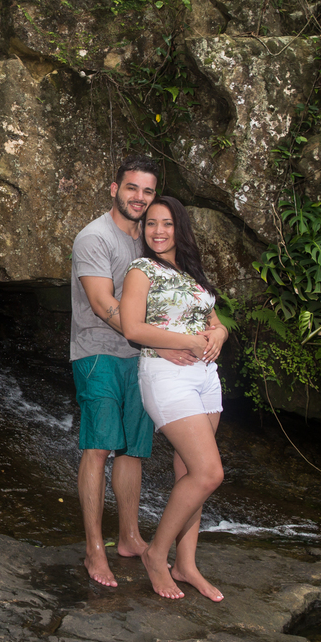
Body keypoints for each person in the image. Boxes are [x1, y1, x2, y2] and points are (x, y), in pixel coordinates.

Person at [70, 156, 204, 588]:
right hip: (98, 355)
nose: (139, 199)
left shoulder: (152, 240)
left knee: (131, 450)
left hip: (143, 361)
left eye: (147, 192)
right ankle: (94, 549)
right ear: (115, 189)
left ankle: (129, 536)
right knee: (98, 447)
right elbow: (103, 304)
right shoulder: (94, 238)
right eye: (132, 189)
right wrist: (159, 342)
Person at [120, 195, 227, 602]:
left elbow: (213, 322)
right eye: (150, 224)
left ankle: (186, 564)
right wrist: (185, 340)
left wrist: (218, 334)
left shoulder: (192, 273)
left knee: (191, 478)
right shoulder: (141, 270)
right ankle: (155, 555)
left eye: (166, 223)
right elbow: (133, 327)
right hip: (166, 376)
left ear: (179, 228)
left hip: (205, 378)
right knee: (208, 473)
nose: (158, 231)